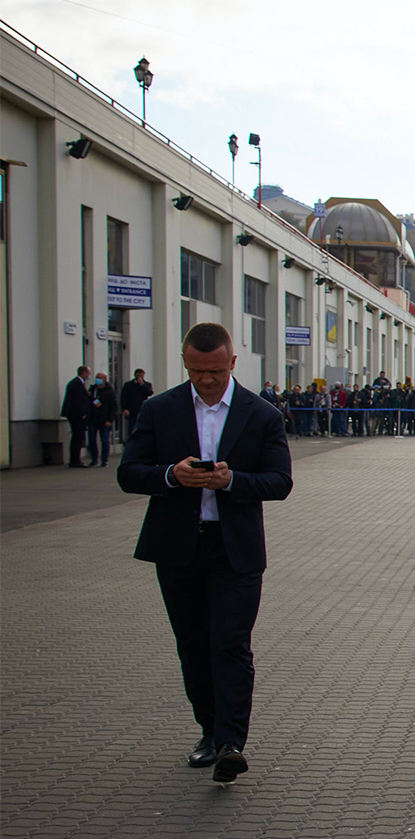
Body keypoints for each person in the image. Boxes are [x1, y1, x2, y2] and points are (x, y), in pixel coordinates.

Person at [116, 324, 293, 783]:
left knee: (230, 643)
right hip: (177, 546)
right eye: (196, 372)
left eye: (215, 371)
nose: (207, 381)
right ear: (185, 363)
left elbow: (279, 482)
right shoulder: (159, 409)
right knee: (193, 644)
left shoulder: (262, 414)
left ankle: (233, 741)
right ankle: (209, 732)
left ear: (232, 363)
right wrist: (171, 476)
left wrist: (231, 481)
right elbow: (129, 473)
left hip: (234, 548)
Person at [61, 365, 90, 468]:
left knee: (77, 437)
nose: (89, 375)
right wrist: (82, 413)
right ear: (84, 373)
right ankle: (75, 460)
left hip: (74, 414)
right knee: (78, 437)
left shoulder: (75, 383)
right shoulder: (77, 384)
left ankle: (75, 459)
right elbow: (77, 401)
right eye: (88, 373)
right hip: (76, 416)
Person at [86, 372, 117, 466]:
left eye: (99, 378)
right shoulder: (93, 390)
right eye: (96, 378)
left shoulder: (109, 391)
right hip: (92, 419)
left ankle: (104, 460)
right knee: (91, 439)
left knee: (104, 440)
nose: (97, 380)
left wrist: (110, 419)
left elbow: (114, 407)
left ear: (104, 379)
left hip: (104, 420)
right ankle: (94, 459)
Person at [120, 368, 153, 444]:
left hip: (142, 411)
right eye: (138, 376)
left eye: (141, 376)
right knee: (131, 429)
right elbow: (124, 398)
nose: (140, 378)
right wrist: (124, 408)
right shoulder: (128, 385)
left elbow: (149, 393)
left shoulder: (147, 385)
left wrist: (142, 384)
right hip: (132, 411)